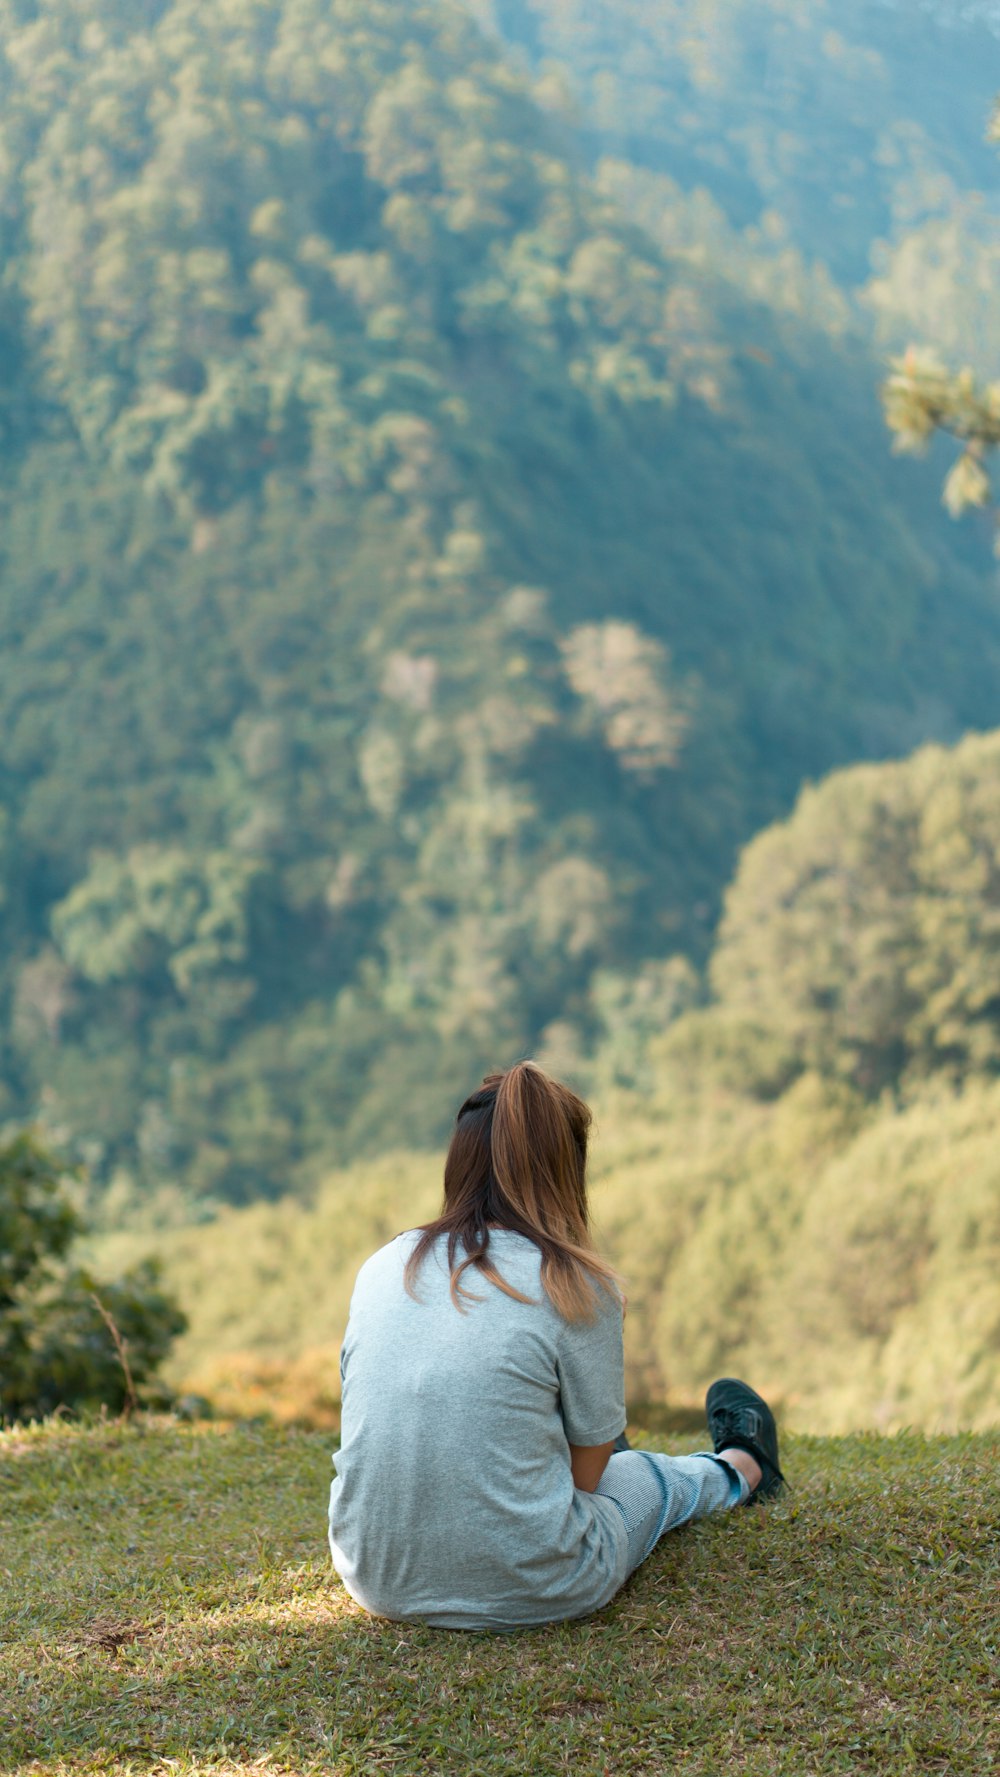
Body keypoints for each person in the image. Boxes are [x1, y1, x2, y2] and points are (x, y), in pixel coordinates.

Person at [328, 1061, 785, 1630]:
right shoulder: (573, 1284)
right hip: (538, 1585)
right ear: (566, 1170)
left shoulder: (383, 1266)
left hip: (375, 1578)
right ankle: (743, 1466)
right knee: (645, 1479)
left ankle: (591, 1427)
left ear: (458, 1161)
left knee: (580, 1439)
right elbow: (586, 1484)